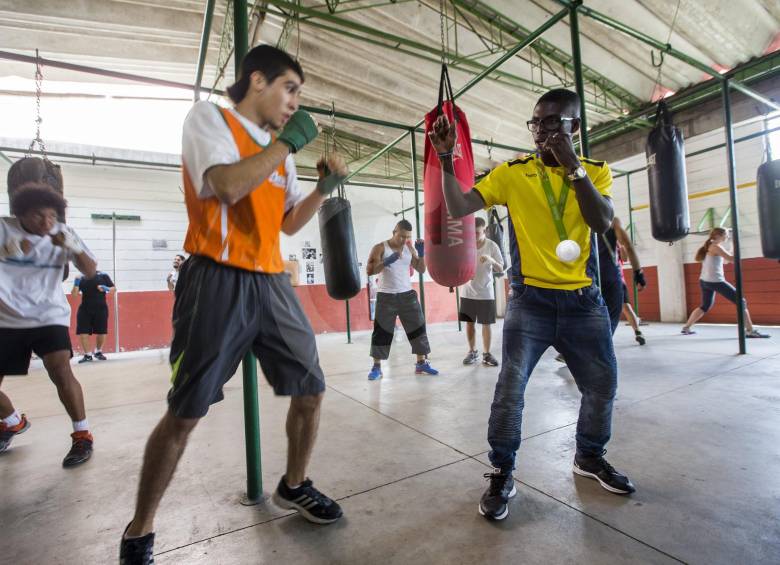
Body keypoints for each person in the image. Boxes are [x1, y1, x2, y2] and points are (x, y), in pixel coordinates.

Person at [120, 45, 348, 564]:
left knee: (310, 388)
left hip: (271, 282)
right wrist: (287, 143)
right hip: (215, 279)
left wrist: (321, 189)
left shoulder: (278, 150)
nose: (295, 103)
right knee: (185, 411)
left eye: (298, 95)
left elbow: (288, 223)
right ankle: (139, 529)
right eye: (289, 88)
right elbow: (225, 186)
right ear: (258, 81)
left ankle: (294, 484)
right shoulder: (209, 119)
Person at [430, 87, 635, 522]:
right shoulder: (512, 173)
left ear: (574, 128)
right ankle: (502, 472)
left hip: (584, 301)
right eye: (537, 123)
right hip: (530, 303)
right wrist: (447, 158)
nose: (542, 131)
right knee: (510, 390)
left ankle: (589, 456)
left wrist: (574, 168)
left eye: (553, 122)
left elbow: (600, 222)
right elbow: (460, 204)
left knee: (602, 385)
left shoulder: (597, 172)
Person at [0, 183, 97, 467]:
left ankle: (82, 435)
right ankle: (13, 422)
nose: (46, 223)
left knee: (60, 370)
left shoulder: (63, 233)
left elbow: (90, 270)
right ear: (20, 214)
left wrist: (74, 248)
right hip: (6, 318)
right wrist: (7, 250)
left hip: (49, 315)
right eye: (38, 216)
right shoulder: (4, 229)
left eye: (52, 216)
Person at [365, 219, 438, 381]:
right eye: (402, 236)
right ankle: (377, 367)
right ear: (394, 232)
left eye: (408, 237)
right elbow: (370, 270)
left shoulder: (409, 248)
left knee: (418, 328)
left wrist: (421, 254)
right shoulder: (380, 248)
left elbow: (420, 269)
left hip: (407, 294)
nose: (404, 240)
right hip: (386, 295)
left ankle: (421, 363)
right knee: (381, 332)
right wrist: (386, 261)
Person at [682, 227, 769, 338]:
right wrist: (735, 243)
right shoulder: (715, 247)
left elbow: (727, 261)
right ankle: (750, 330)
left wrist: (732, 244)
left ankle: (686, 328)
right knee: (741, 302)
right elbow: (733, 259)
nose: (727, 236)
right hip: (715, 281)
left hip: (705, 281)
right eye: (726, 235)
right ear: (718, 236)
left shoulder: (711, 246)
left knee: (705, 306)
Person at [459, 216, 504, 366]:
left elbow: (501, 268)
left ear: (484, 230)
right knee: (469, 323)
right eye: (471, 232)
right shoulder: (465, 245)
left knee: (486, 324)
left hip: (485, 292)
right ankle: (472, 352)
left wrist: (491, 260)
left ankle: (487, 354)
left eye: (477, 232)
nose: (474, 235)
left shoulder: (492, 246)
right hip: (467, 291)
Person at [597, 216, 647, 344]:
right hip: (610, 276)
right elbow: (628, 246)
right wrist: (638, 273)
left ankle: (574, 347)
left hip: (589, 275)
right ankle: (599, 350)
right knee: (614, 315)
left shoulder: (582, 220)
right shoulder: (612, 220)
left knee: (588, 313)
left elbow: (624, 256)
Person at [72, 271, 115, 362]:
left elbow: (113, 289)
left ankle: (98, 352)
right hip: (85, 309)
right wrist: (76, 282)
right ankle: (88, 355)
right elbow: (74, 294)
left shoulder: (103, 276)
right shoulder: (81, 277)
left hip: (101, 309)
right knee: (83, 332)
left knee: (102, 332)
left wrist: (105, 288)